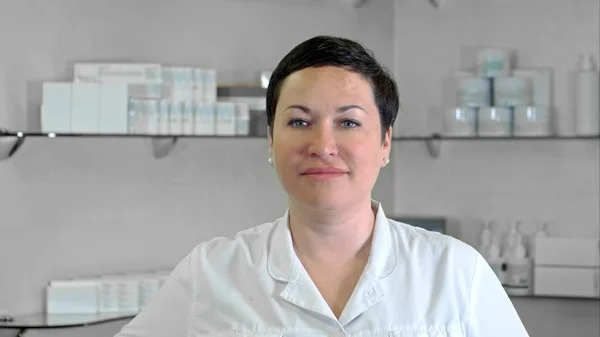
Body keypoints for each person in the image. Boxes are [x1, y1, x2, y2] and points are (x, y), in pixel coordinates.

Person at [114, 35, 529, 337]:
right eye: (298, 122)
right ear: (271, 142)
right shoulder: (211, 273)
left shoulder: (456, 272)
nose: (323, 146)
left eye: (348, 122)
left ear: (386, 142)